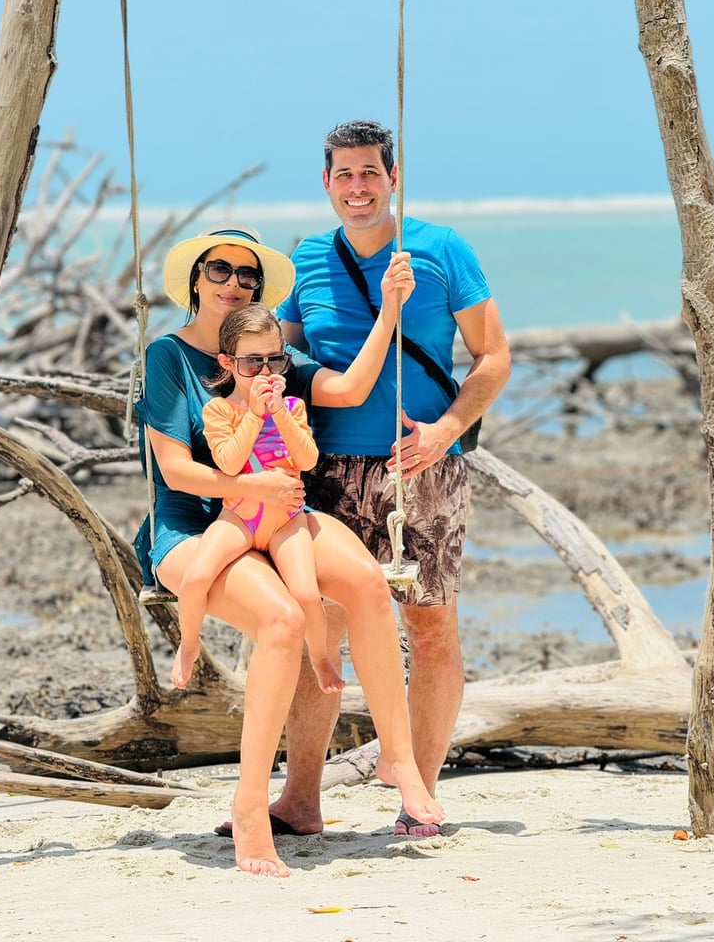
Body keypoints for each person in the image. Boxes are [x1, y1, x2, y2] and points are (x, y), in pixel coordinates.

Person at [135, 224, 444, 876]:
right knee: (283, 619)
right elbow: (177, 473)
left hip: (277, 514)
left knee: (365, 582)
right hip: (194, 528)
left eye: (247, 274)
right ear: (195, 279)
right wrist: (249, 485)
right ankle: (250, 807)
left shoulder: (272, 355)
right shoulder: (167, 356)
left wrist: (390, 310)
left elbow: (351, 389)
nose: (233, 282)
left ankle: (398, 756)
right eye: (219, 269)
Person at [274, 120, 512, 838]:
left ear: (393, 177)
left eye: (370, 173)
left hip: (423, 468)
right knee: (321, 632)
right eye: (344, 175)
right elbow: (276, 360)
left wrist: (446, 430)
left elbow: (494, 357)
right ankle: (300, 801)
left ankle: (419, 796)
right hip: (325, 475)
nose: (358, 187)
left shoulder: (441, 249)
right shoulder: (307, 258)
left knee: (430, 631)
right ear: (326, 183)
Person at [171, 303, 342, 695]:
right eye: (251, 363)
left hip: (286, 521)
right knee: (196, 577)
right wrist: (253, 414)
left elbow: (308, 460)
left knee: (307, 595)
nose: (264, 373)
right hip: (240, 517)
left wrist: (279, 414)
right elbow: (229, 464)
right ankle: (189, 645)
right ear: (227, 363)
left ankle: (319, 657)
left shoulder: (293, 408)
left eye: (273, 361)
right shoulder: (219, 411)